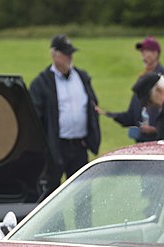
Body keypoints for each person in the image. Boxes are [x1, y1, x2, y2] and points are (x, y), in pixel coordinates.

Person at [29, 34, 101, 192]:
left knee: (82, 193)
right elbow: (34, 118)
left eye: (71, 54)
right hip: (55, 147)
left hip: (79, 146)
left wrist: (90, 137)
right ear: (54, 55)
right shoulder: (41, 83)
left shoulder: (82, 77)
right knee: (50, 193)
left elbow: (92, 106)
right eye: (65, 54)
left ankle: (83, 218)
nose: (69, 57)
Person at [96, 36, 164, 143]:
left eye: (147, 51)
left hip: (162, 143)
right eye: (142, 51)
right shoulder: (142, 79)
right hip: (142, 143)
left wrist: (156, 129)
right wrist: (108, 113)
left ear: (156, 53)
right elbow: (132, 114)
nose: (143, 55)